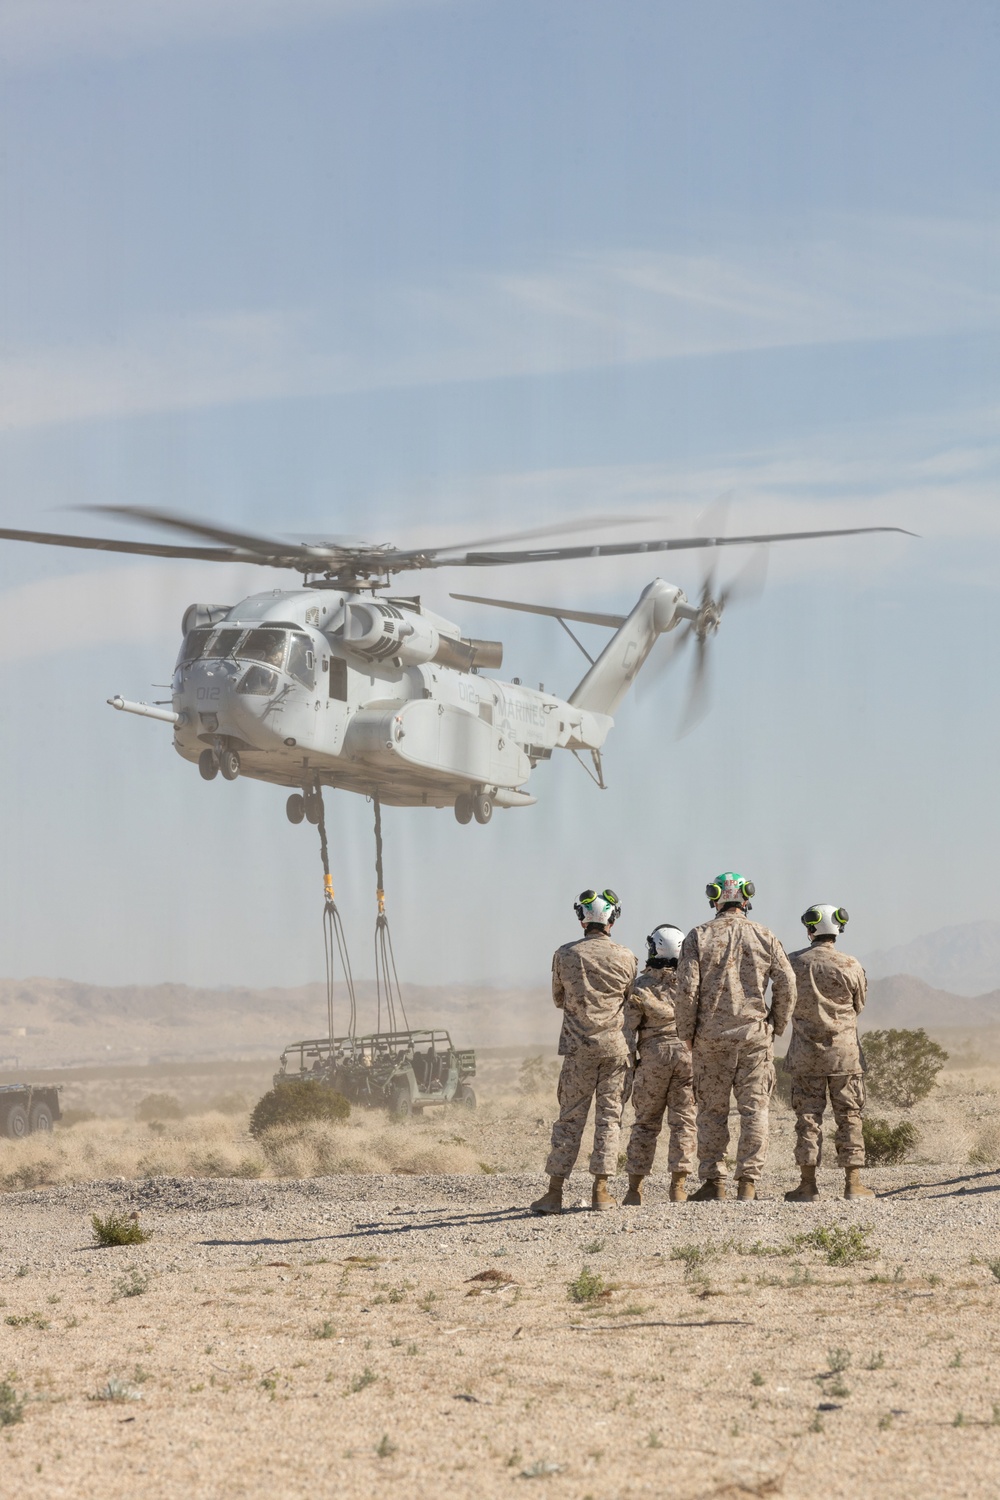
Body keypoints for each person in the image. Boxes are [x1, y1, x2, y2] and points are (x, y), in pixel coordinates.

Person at [675, 872, 796, 1202]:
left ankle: (714, 1182)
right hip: (754, 1037)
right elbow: (787, 982)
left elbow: (686, 990)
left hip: (710, 1040)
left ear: (715, 898)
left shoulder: (698, 935)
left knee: (711, 1112)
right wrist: (776, 1024)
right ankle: (748, 1183)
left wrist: (686, 1032)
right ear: (746, 898)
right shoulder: (764, 935)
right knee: (754, 1110)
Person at [530, 888, 637, 1215]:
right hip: (615, 1050)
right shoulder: (626, 957)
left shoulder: (564, 954)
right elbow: (628, 999)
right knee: (609, 1119)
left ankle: (554, 1194)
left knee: (569, 1119)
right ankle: (601, 1192)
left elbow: (558, 998)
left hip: (578, 1050)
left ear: (582, 920)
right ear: (612, 920)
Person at [784, 904, 874, 1201]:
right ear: (838, 928)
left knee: (808, 1118)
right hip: (844, 1056)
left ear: (810, 929)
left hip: (805, 1055)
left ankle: (807, 1185)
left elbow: (783, 1002)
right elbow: (859, 1005)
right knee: (849, 1116)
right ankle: (853, 1184)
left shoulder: (792, 963)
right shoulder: (850, 964)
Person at [622, 924, 697, 1205]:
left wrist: (631, 1066)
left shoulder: (640, 986)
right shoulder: (693, 982)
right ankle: (678, 1188)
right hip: (688, 1057)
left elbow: (628, 1029)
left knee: (645, 1123)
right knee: (684, 1122)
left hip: (653, 1059)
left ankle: (634, 1191)